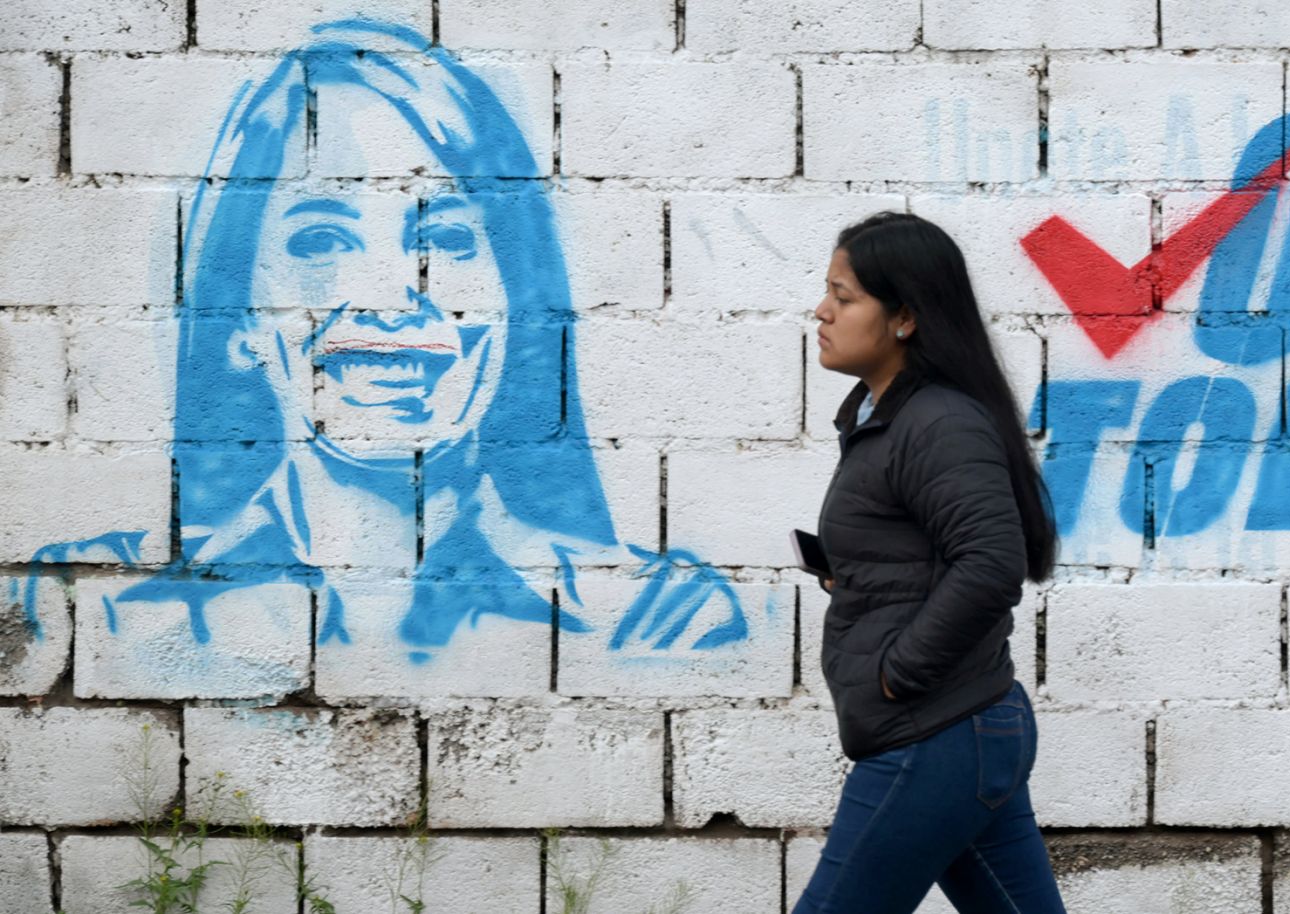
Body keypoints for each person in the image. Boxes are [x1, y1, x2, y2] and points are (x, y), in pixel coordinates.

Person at [15, 19, 756, 694]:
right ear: (236, 315)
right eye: (322, 241)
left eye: (451, 241)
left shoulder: (654, 616)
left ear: (517, 306)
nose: (397, 298)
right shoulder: (95, 607)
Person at [798, 212, 1068, 913]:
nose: (821, 311)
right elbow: (925, 555)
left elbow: (989, 563)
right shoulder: (881, 417)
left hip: (935, 733)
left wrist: (898, 674)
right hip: (966, 730)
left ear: (906, 318)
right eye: (828, 292)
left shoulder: (937, 422)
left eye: (845, 296)